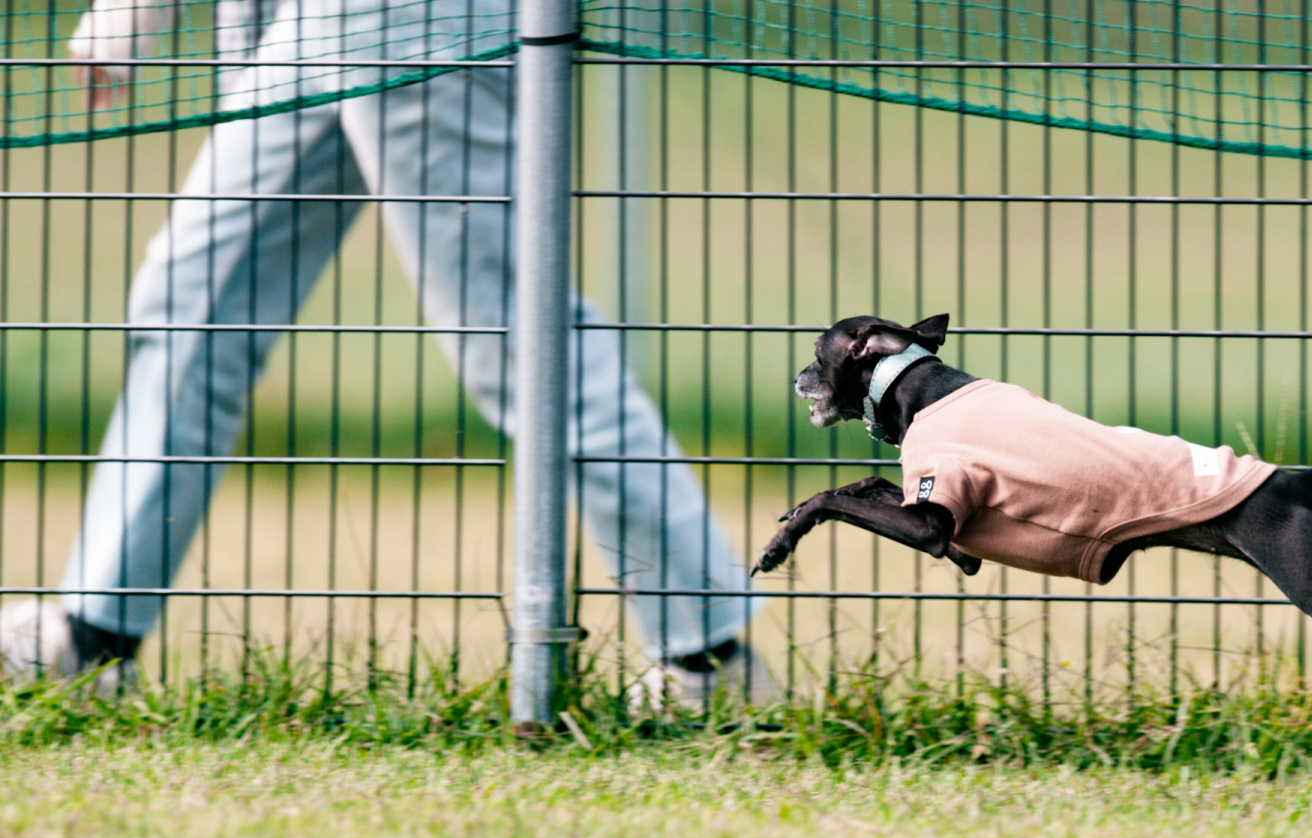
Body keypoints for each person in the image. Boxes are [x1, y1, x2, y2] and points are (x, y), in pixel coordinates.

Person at [0, 0, 766, 703]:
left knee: (516, 335)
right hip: (308, 22)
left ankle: (710, 659)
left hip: (412, 17)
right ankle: (94, 642)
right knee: (189, 302)